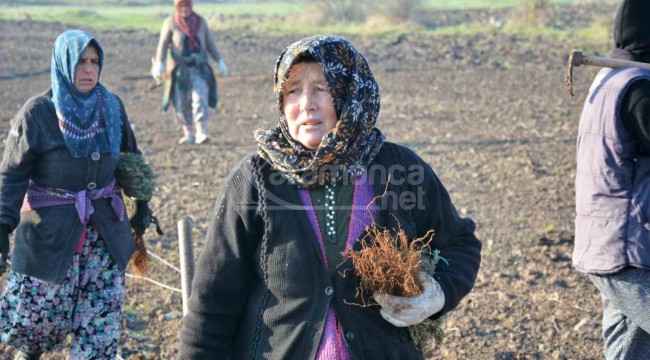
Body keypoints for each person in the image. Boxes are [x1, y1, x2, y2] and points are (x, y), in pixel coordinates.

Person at [177, 35, 481, 359]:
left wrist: (436, 295)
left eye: (321, 89)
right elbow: (212, 306)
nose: (306, 103)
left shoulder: (399, 169)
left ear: (350, 94)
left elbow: (460, 243)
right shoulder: (254, 181)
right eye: (293, 90)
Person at [0, 30, 154, 360]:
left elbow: (130, 159)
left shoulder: (111, 107)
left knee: (98, 333)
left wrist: (141, 204)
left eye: (95, 61)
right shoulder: (38, 113)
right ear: (63, 63)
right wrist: (2, 225)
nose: (88, 69)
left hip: (104, 238)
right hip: (48, 238)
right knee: (36, 326)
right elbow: (11, 174)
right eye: (81, 61)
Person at [573, 0, 650, 358]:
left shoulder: (612, 78)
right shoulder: (638, 91)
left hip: (613, 244)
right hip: (631, 252)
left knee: (631, 351)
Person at [152, 0, 229, 145]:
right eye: (181, 6)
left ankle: (201, 131)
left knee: (200, 97)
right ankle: (188, 133)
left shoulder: (201, 22)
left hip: (199, 68)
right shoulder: (170, 23)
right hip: (179, 69)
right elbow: (162, 44)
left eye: (187, 6)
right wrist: (159, 63)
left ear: (191, 6)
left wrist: (220, 60)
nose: (184, 9)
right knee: (181, 101)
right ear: (177, 7)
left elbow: (210, 43)